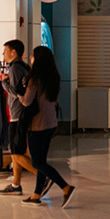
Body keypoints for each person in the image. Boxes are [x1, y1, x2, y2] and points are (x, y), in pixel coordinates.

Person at [19, 46, 76, 208]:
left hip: (37, 124)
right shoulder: (54, 77)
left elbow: (26, 101)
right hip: (51, 122)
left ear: (38, 59)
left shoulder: (34, 79)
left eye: (32, 56)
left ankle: (66, 187)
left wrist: (16, 93)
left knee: (37, 163)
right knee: (41, 159)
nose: (30, 58)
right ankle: (37, 194)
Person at [0, 40, 37, 196]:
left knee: (15, 153)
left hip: (17, 115)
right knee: (17, 151)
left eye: (5, 50)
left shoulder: (14, 68)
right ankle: (16, 185)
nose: (3, 54)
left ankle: (43, 175)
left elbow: (16, 93)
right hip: (21, 114)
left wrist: (4, 83)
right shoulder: (24, 67)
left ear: (13, 52)